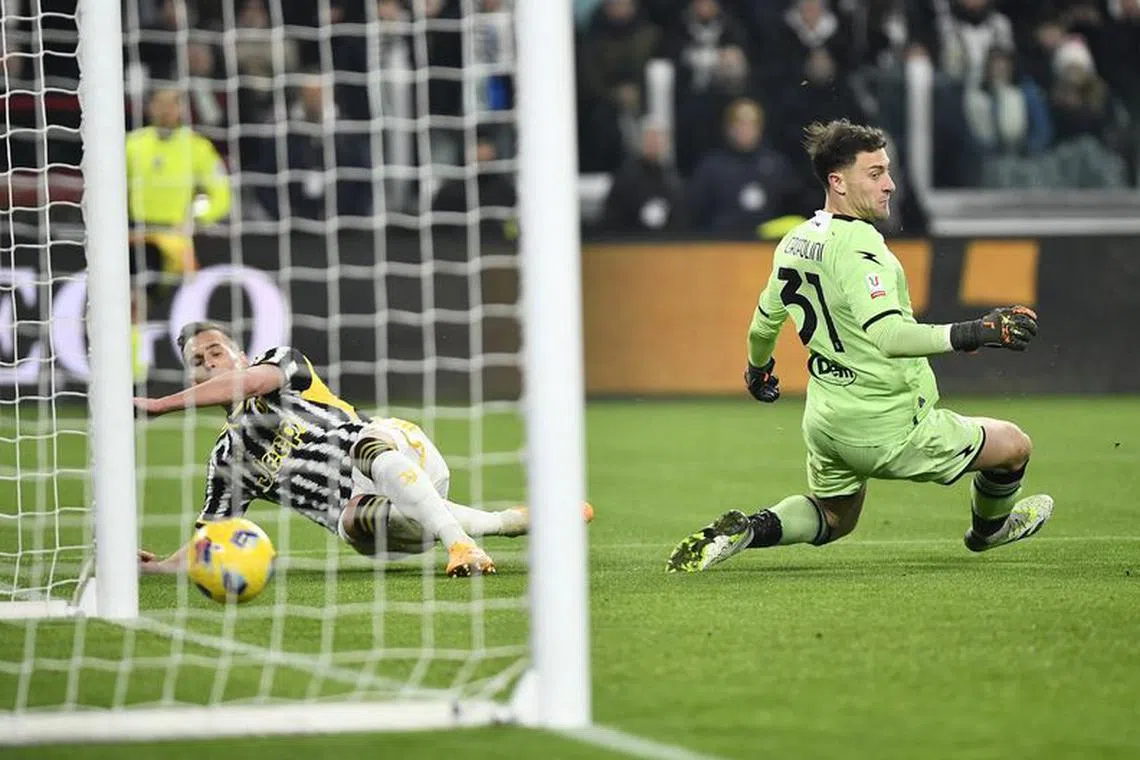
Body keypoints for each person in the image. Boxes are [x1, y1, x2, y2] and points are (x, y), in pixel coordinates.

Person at [666, 119, 1050, 573]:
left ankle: (750, 528)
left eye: (887, 171)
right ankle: (988, 532)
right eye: (875, 173)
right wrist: (976, 332)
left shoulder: (796, 239)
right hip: (886, 425)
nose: (889, 184)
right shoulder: (861, 249)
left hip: (826, 421)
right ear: (838, 182)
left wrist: (757, 370)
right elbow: (889, 336)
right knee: (1014, 446)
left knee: (834, 518)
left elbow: (763, 324)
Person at [134, 322, 593, 578]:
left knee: (364, 445)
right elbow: (211, 538)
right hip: (377, 530)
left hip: (400, 451)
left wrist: (159, 405)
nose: (209, 363)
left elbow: (251, 383)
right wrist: (153, 569)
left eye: (216, 351)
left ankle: (462, 546)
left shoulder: (280, 362)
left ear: (239, 354)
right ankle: (512, 521)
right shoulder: (228, 458)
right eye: (198, 361)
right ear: (191, 377)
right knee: (351, 518)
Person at [125, 88, 232, 379]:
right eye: (160, 103)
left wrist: (196, 217)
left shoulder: (197, 147)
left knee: (157, 307)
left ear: (182, 109)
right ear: (149, 107)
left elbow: (221, 194)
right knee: (133, 304)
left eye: (172, 104)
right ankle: (134, 376)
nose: (166, 110)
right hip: (138, 236)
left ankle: (186, 373)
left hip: (175, 242)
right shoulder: (132, 145)